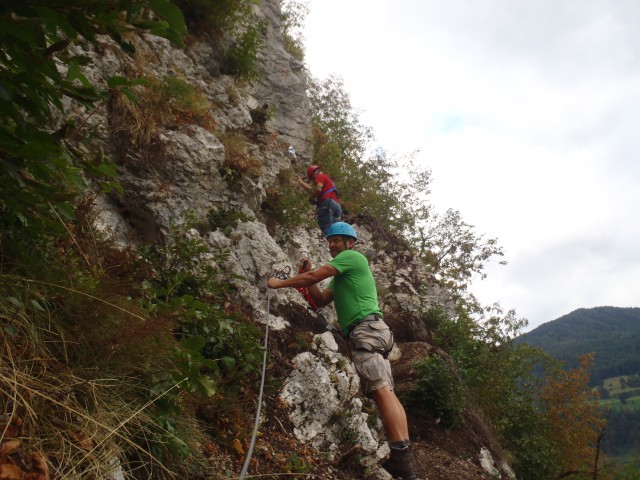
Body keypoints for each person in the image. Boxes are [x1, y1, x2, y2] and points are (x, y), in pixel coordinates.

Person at [267, 222, 418, 480]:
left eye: (337, 239)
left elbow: (313, 278)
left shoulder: (352, 257)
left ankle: (404, 462)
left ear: (350, 242)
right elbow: (319, 299)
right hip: (373, 331)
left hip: (366, 330)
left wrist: (279, 283)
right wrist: (308, 275)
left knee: (381, 391)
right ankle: (405, 460)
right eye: (330, 240)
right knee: (386, 391)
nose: (332, 244)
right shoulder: (342, 276)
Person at [294, 165, 342, 235]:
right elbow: (313, 190)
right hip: (337, 206)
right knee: (335, 230)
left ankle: (329, 243)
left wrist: (311, 198)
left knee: (325, 227)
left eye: (312, 179)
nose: (313, 181)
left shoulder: (319, 176)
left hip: (327, 203)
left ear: (313, 174)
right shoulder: (328, 180)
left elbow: (318, 189)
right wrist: (300, 182)